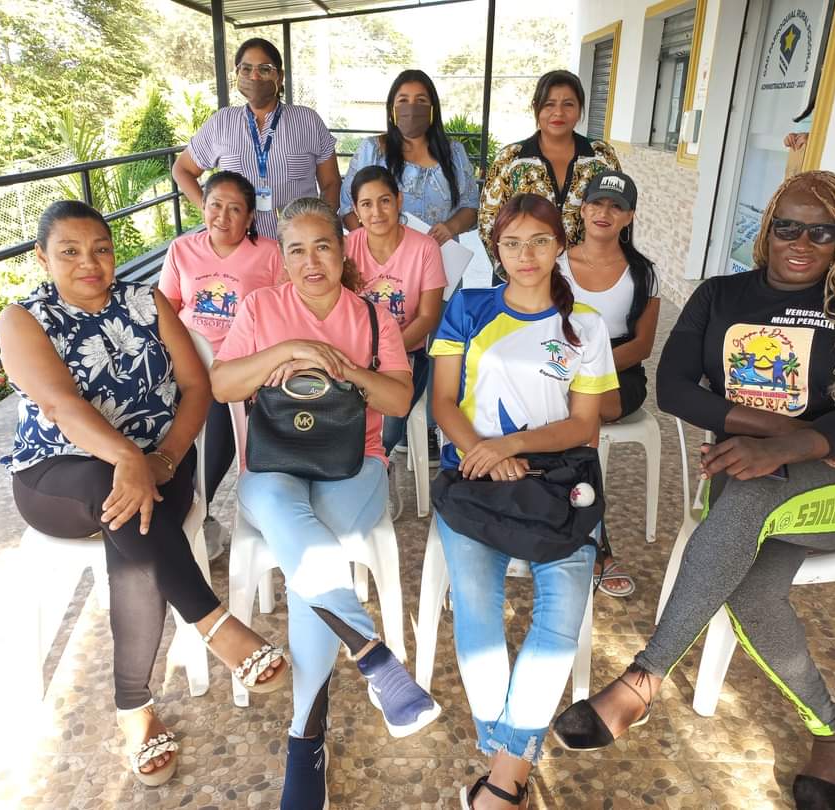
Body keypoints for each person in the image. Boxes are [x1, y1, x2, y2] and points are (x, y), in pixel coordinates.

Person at [553, 172, 835, 810]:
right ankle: (834, 736)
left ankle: (644, 678)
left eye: (821, 232)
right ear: (766, 230)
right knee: (750, 584)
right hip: (757, 466)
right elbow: (674, 389)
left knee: (747, 494)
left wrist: (788, 450)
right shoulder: (720, 295)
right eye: (787, 227)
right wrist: (786, 435)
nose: (801, 242)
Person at [0, 201, 289, 788]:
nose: (90, 263)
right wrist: (127, 459)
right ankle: (214, 623)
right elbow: (60, 405)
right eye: (70, 252)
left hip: (162, 464)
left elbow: (195, 386)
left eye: (101, 249)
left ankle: (134, 709)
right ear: (42, 258)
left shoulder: (146, 301)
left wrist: (162, 458)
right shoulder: (23, 319)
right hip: (57, 476)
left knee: (135, 521)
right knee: (121, 500)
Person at [211, 198, 441, 810]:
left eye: (323, 247)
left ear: (343, 252)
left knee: (312, 558)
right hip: (272, 467)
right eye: (297, 250)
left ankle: (305, 738)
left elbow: (398, 402)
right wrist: (284, 352)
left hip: (354, 463)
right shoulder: (261, 308)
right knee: (308, 543)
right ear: (282, 259)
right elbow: (222, 384)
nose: (311, 261)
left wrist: (348, 371)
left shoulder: (372, 316)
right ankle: (372, 658)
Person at [429, 193, 617, 809]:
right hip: (474, 479)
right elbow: (442, 402)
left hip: (559, 482)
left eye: (539, 241)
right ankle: (509, 772)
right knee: (478, 614)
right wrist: (483, 453)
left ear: (560, 244)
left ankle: (502, 770)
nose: (526, 255)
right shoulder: (468, 308)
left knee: (561, 617)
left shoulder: (584, 326)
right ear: (496, 249)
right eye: (511, 243)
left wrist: (510, 446)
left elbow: (583, 425)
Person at [158, 171, 283, 557]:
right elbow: (166, 311)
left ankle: (199, 507)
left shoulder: (270, 253)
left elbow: (282, 312)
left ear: (250, 217)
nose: (223, 217)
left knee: (219, 415)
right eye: (215, 205)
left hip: (242, 365)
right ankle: (189, 508)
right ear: (203, 206)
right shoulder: (182, 250)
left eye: (235, 209)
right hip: (189, 362)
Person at [562, 170, 660, 598]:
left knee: (576, 415)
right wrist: (568, 369)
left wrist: (589, 370)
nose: (605, 212)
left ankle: (594, 542)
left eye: (616, 207)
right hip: (561, 363)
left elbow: (642, 346)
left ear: (629, 217)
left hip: (619, 374)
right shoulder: (555, 263)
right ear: (583, 209)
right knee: (556, 412)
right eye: (597, 203)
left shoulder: (644, 273)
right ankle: (566, 525)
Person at [345, 165, 446, 514]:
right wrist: (361, 359)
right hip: (353, 356)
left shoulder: (425, 248)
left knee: (386, 427)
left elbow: (428, 317)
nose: (377, 212)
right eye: (366, 204)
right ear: (356, 210)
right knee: (340, 413)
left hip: (407, 354)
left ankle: (378, 470)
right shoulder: (346, 247)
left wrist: (384, 355)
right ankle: (348, 475)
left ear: (399, 200)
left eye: (385, 201)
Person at [172, 37, 342, 239]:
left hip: (297, 244)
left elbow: (331, 182)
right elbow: (182, 169)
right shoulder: (221, 122)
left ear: (279, 76)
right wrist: (209, 211)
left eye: (264, 69)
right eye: (246, 69)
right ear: (237, 74)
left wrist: (322, 226)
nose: (254, 76)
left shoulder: (307, 120)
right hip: (241, 244)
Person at [479, 70, 621, 266]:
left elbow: (617, 212)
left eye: (568, 104)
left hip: (585, 273)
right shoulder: (511, 159)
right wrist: (512, 270)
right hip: (524, 271)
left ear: (580, 108)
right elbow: (488, 223)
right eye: (549, 104)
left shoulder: (601, 156)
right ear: (536, 108)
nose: (558, 113)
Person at [339, 69, 480, 245]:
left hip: (441, 255)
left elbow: (471, 206)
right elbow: (347, 206)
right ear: (392, 109)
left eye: (421, 101)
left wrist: (451, 227)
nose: (412, 108)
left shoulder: (454, 153)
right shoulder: (372, 150)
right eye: (403, 100)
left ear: (433, 109)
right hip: (384, 257)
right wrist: (370, 245)